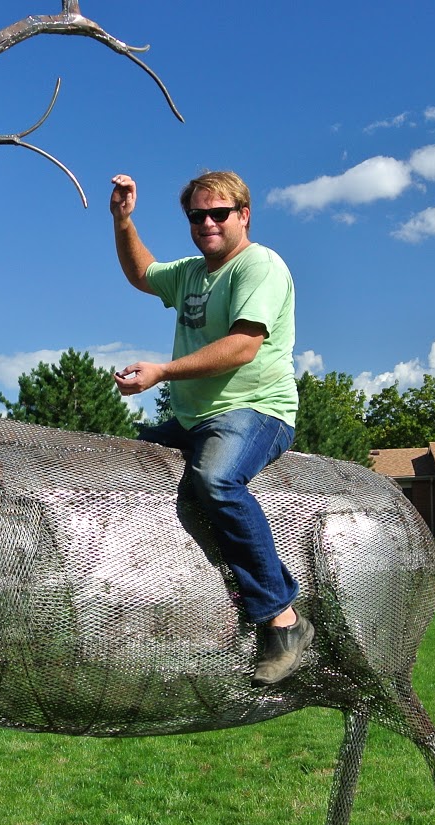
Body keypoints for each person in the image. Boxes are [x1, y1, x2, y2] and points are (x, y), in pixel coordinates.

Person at [109, 170, 313, 685]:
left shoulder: (259, 266)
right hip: (191, 419)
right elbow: (142, 273)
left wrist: (162, 371)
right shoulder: (192, 273)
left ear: (243, 215)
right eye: (197, 216)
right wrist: (122, 220)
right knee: (118, 463)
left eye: (218, 213)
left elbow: (243, 346)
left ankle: (282, 620)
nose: (207, 223)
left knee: (217, 480)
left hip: (255, 410)